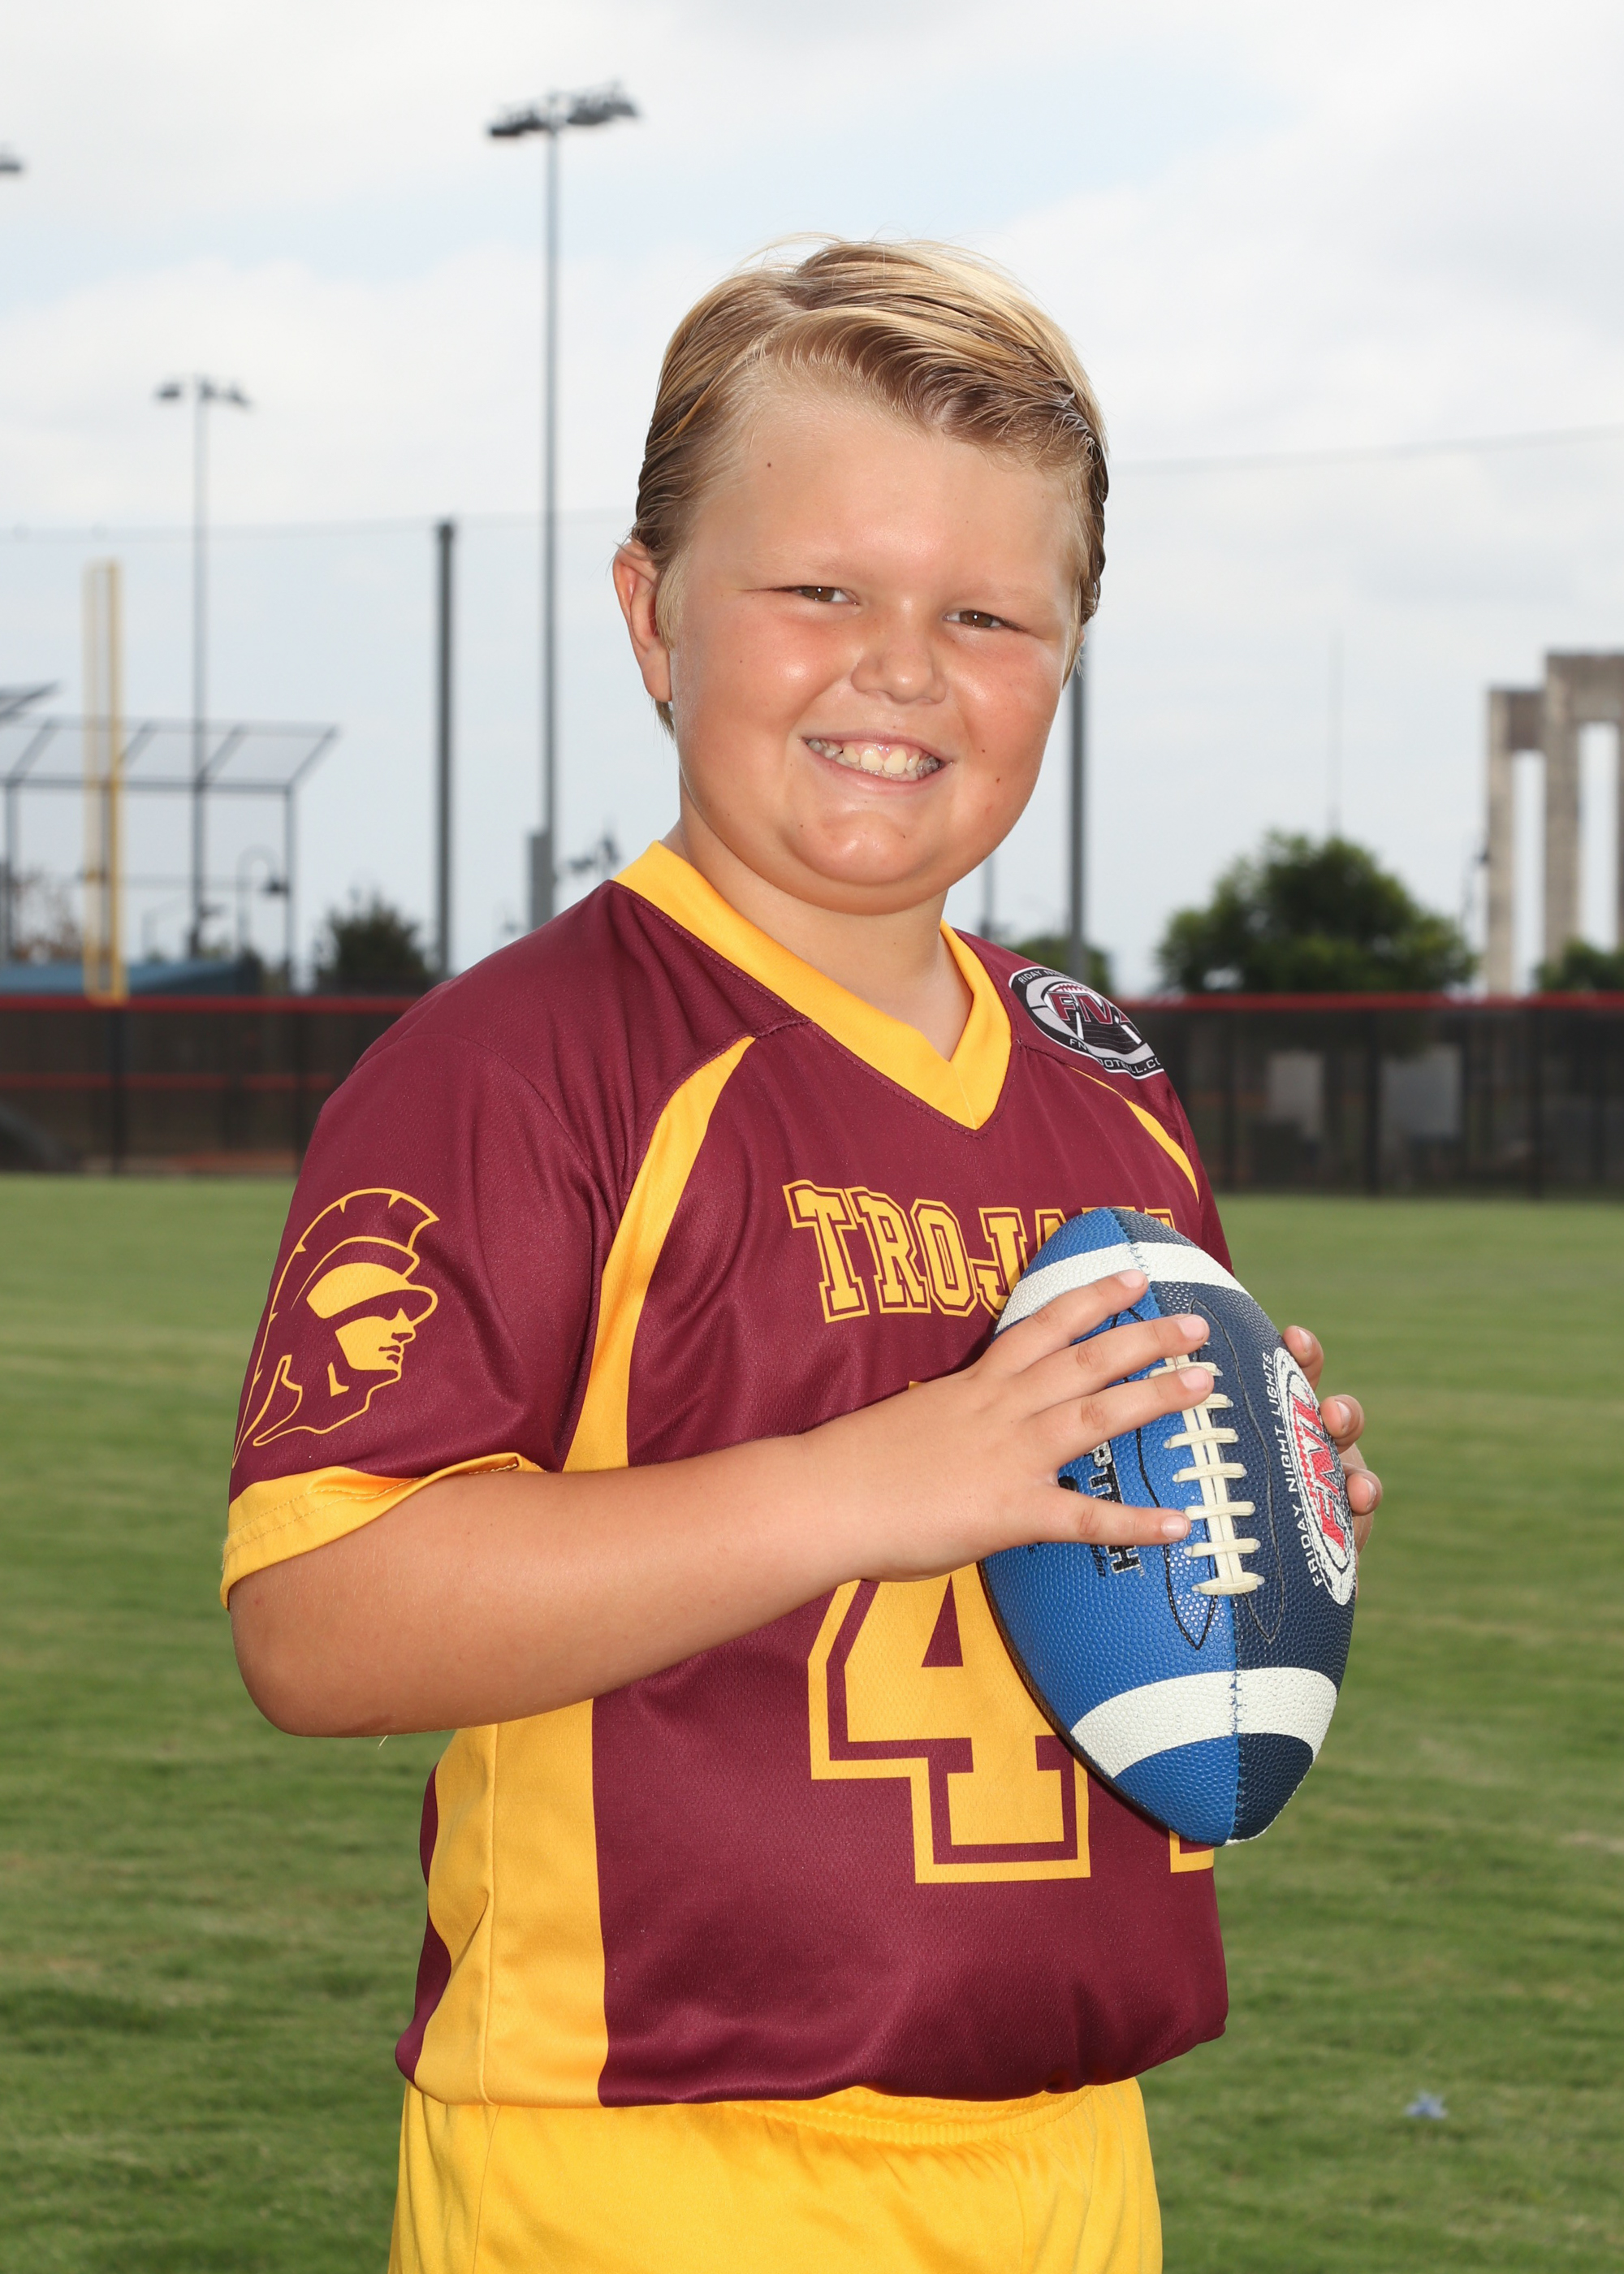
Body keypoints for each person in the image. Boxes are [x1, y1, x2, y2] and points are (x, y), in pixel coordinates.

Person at [227, 240, 1380, 2274]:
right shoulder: (520, 1066)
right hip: (645, 2165)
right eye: (821, 591)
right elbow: (321, 1620)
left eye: (986, 613)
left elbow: (1094, 1573)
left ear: (1063, 660)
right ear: (651, 615)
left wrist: (1247, 1505)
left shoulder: (1102, 1086)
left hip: (1068, 2152)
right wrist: (867, 1484)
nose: (902, 668)